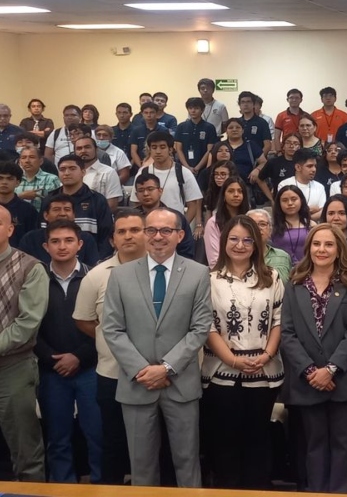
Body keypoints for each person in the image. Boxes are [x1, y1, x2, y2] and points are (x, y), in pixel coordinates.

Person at [101, 207, 212, 487]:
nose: (157, 237)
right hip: (137, 384)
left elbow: (199, 329)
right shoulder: (120, 276)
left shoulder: (198, 274)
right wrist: (143, 370)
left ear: (180, 235)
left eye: (166, 230)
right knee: (141, 465)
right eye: (151, 230)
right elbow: (112, 329)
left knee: (187, 462)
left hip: (181, 383)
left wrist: (166, 368)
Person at [280, 223, 347, 493]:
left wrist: (330, 369)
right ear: (309, 248)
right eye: (317, 244)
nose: (322, 249)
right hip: (308, 381)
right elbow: (287, 333)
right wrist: (310, 371)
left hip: (343, 380)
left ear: (338, 248)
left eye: (329, 244)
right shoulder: (294, 283)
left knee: (342, 444)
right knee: (314, 444)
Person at [202, 215, 284, 489]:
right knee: (225, 439)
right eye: (234, 239)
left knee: (258, 438)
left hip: (264, 369)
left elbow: (278, 321)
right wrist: (233, 360)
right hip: (221, 372)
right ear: (224, 241)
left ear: (256, 244)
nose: (240, 245)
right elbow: (207, 326)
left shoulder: (271, 277)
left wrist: (268, 354)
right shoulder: (208, 279)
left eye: (247, 239)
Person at [72, 208, 146, 484]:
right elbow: (83, 320)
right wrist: (111, 340)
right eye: (121, 231)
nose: (128, 236)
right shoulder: (97, 276)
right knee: (113, 445)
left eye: (135, 230)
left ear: (147, 234)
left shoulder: (165, 272)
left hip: (157, 375)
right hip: (113, 374)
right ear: (113, 239)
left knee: (155, 446)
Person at [35, 219, 102, 483]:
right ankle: (63, 486)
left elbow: (105, 327)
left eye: (68, 240)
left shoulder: (94, 277)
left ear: (80, 244)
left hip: (91, 367)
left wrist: (80, 356)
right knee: (57, 437)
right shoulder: (36, 278)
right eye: (55, 241)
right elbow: (30, 327)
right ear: (45, 246)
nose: (62, 246)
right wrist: (52, 359)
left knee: (97, 434)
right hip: (51, 369)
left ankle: (101, 486)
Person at [0, 204, 48, 481]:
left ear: (10, 229)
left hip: (13, 367)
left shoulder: (30, 267)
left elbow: (27, 325)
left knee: (25, 450)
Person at [130, 131, 204, 232]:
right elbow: (136, 202)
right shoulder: (143, 172)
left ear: (170, 149)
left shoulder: (183, 172)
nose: (158, 151)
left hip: (175, 228)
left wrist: (180, 227)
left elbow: (193, 205)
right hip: (149, 230)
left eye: (162, 147)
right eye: (154, 147)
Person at [54, 154, 114, 258]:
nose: (67, 173)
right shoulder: (50, 200)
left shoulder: (98, 200)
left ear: (83, 172)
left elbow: (106, 237)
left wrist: (98, 264)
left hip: (92, 263)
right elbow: (42, 234)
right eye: (62, 169)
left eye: (72, 169)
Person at [203, 176, 250, 267]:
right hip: (222, 272)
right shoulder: (213, 223)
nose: (236, 194)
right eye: (231, 191)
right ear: (223, 195)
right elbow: (214, 260)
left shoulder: (250, 221)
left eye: (240, 191)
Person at [174, 97, 218, 178]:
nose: (193, 111)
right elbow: (178, 149)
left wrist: (198, 167)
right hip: (184, 167)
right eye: (190, 108)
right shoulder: (181, 126)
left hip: (202, 168)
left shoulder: (209, 127)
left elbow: (210, 150)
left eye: (196, 108)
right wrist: (187, 167)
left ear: (202, 110)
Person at [74, 136, 122, 210]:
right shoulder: (71, 173)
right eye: (79, 148)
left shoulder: (108, 172)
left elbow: (112, 205)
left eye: (87, 147)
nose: (83, 151)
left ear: (96, 150)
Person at [277, 148, 327, 219]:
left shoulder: (320, 187)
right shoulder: (284, 184)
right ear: (298, 167)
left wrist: (305, 220)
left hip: (313, 227)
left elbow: (323, 212)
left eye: (315, 166)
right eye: (309, 166)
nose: (314, 170)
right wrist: (308, 210)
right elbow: (286, 210)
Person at [0, 161, 38, 248]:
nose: (4, 182)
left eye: (10, 178)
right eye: (0, 178)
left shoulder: (28, 210)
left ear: (18, 182)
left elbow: (32, 239)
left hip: (21, 258)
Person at [247, 208, 292, 282]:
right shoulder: (239, 256)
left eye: (263, 224)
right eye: (252, 224)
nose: (258, 228)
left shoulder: (283, 256)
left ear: (270, 230)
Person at [271, 185, 312, 265]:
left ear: (301, 200)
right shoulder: (272, 227)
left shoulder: (311, 225)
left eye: (294, 199)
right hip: (280, 269)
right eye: (284, 200)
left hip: (306, 268)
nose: (290, 203)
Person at [16, 144, 59, 212]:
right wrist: (21, 196)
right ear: (20, 162)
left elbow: (57, 204)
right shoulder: (14, 179)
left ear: (41, 161)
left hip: (42, 219)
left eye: (32, 157)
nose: (27, 161)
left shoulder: (51, 179)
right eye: (23, 158)